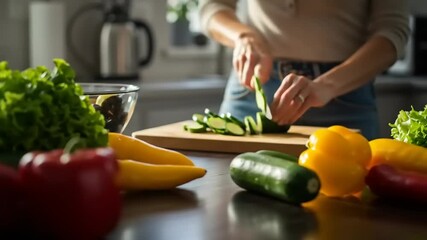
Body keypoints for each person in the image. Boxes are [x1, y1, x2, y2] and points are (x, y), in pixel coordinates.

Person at [198, 0, 410, 140]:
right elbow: (211, 8)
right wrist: (244, 37)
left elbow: (392, 32)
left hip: (344, 98)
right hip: (252, 91)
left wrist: (327, 85)